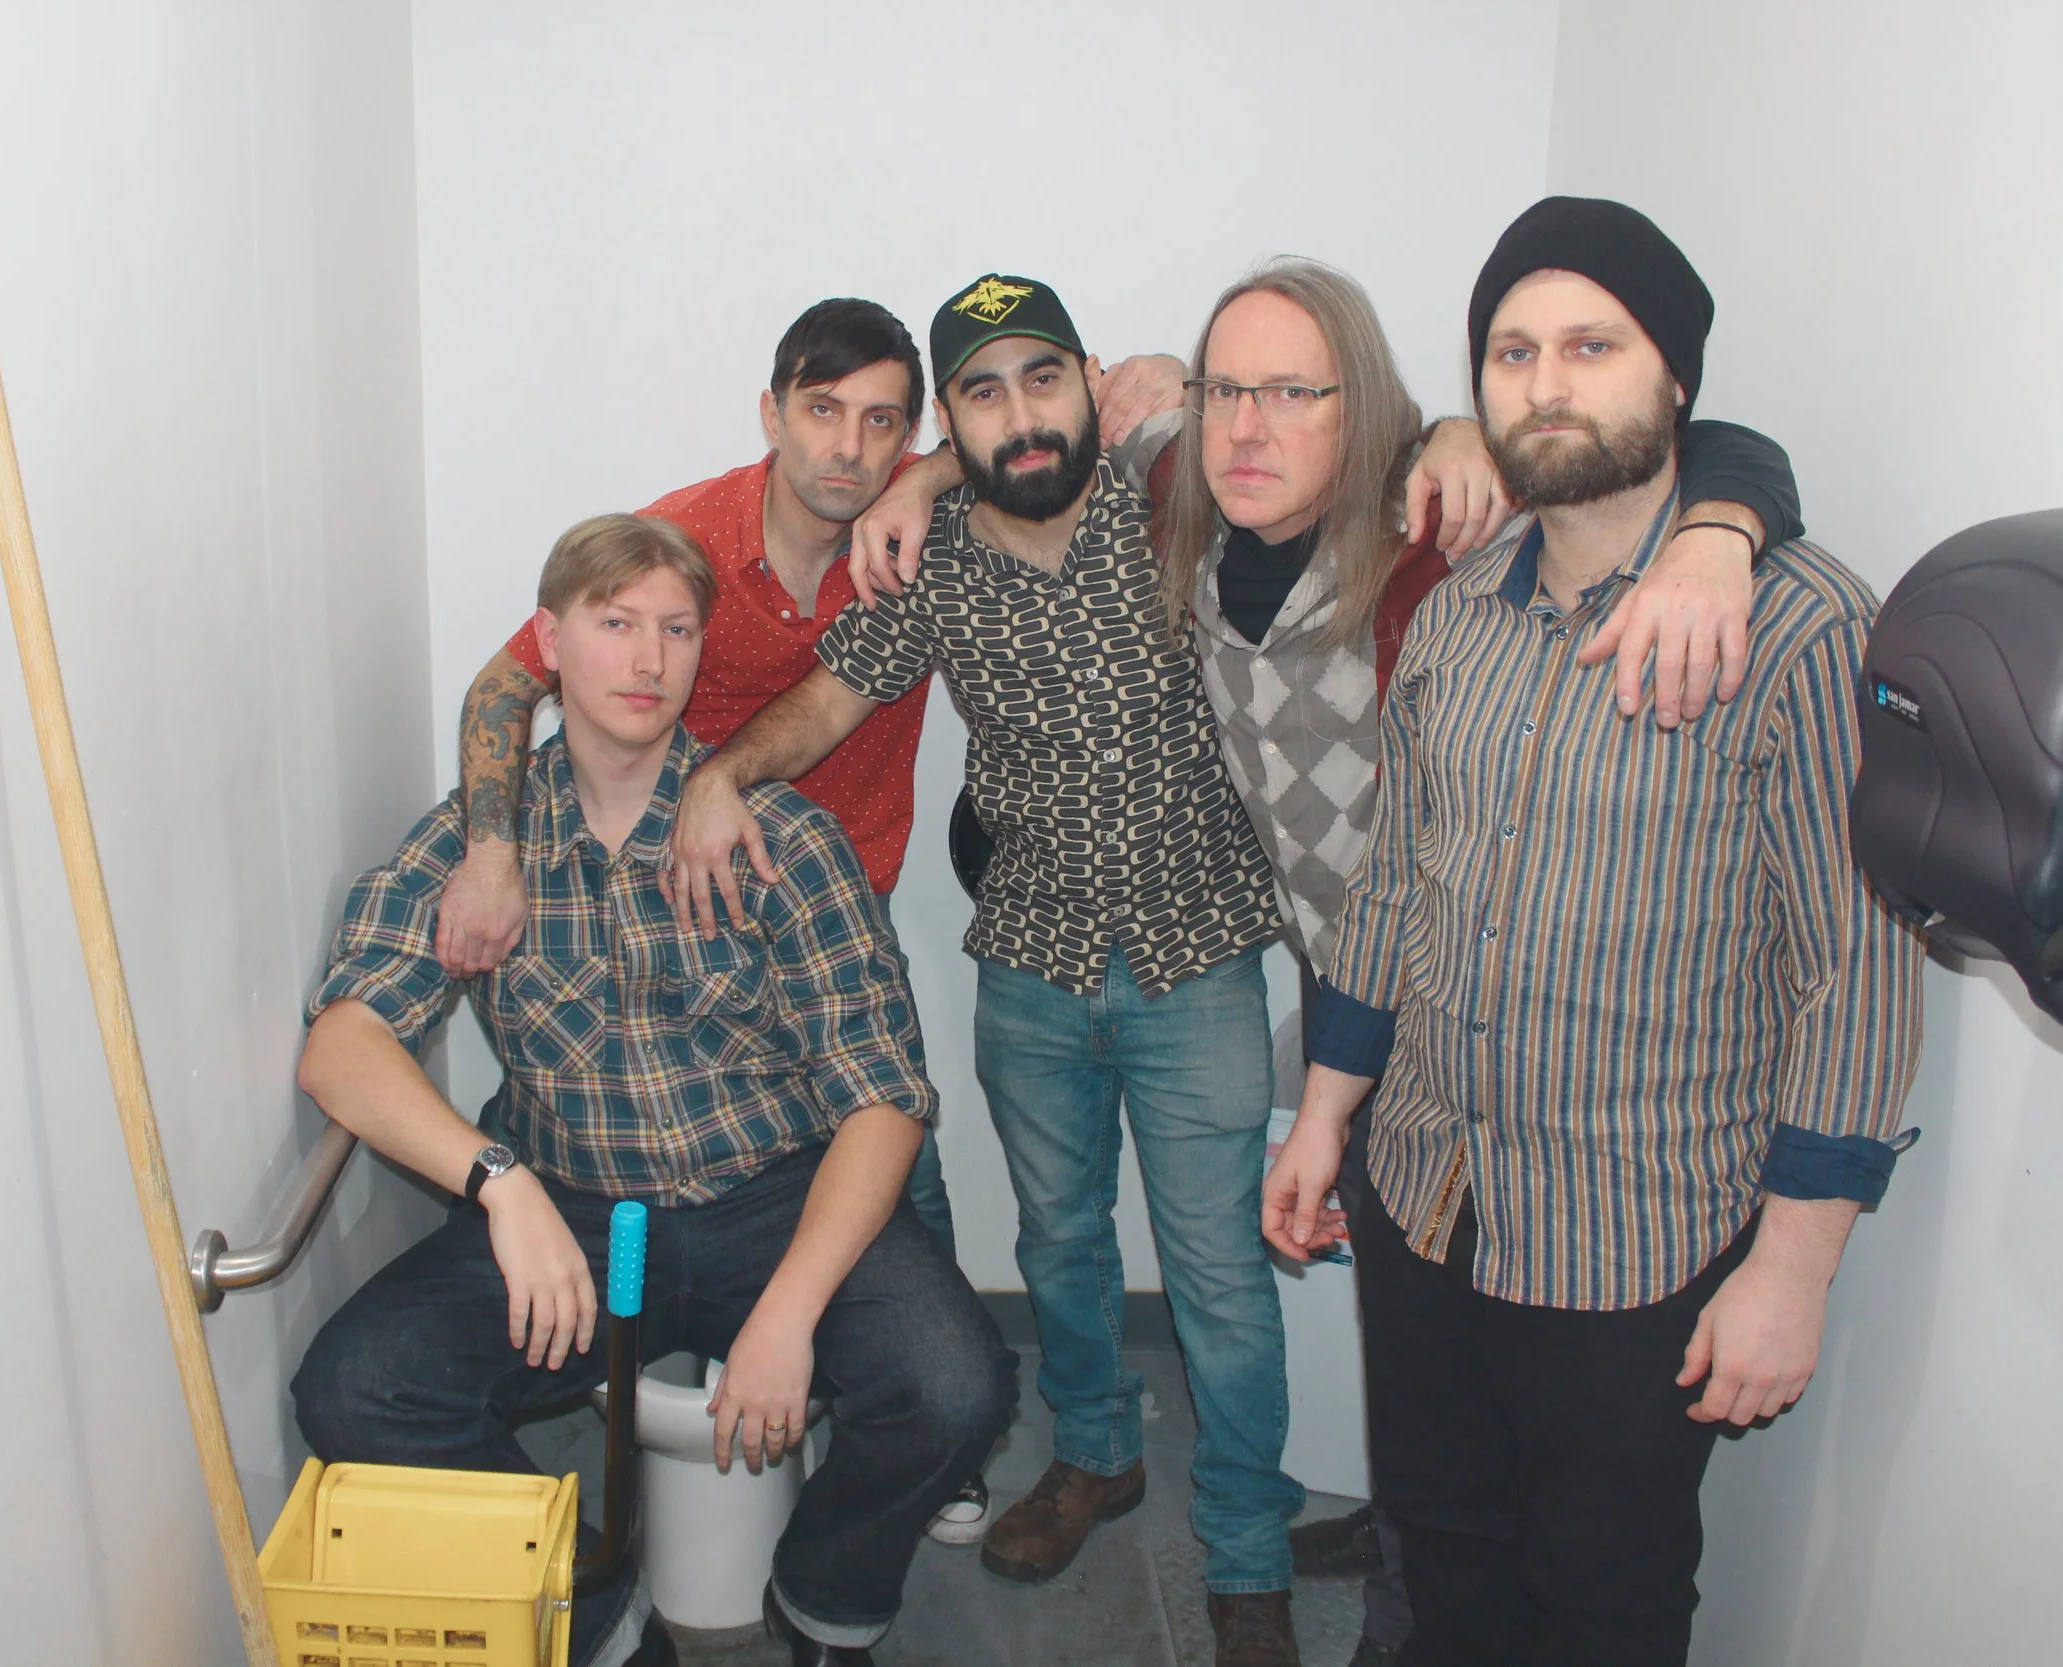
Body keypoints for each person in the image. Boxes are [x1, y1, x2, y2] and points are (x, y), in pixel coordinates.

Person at [853, 256, 1805, 1667]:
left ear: (1358, 411)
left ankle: (1301, 1563)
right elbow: (1029, 430)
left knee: (1332, 1330)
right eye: (1230, 390)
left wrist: (1716, 524)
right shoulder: (1164, 499)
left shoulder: (1421, 528)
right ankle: (1304, 1534)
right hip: (1328, 996)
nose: (1252, 425)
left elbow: (1669, 446)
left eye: (1296, 394)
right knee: (1377, 1354)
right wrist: (915, 478)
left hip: (1502, 1035)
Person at [1263, 198, 1926, 1667]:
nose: (1544, 383)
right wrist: (1326, 1119)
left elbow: (1855, 974)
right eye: (1511, 350)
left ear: (1674, 377)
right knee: (1444, 1550)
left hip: (1637, 1239)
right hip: (1424, 1191)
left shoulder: (1800, 629)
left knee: (1604, 1596)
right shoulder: (1452, 624)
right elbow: (1391, 893)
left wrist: (1793, 1269)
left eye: (1589, 345)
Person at [432, 298, 1178, 1543]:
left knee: (905, 1176)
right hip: (685, 925)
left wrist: (945, 464)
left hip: (840, 913)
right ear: (770, 411)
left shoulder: (933, 522)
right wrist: (495, 846)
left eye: (882, 422)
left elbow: (1063, 399)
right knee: (669, 1159)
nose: (847, 448)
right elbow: (515, 676)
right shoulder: (692, 542)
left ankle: (935, 1434)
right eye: (820, 412)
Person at [667, 274, 1306, 1667]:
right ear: (949, 425)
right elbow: (835, 689)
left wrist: (1193, 393)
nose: (1020, 414)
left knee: (1218, 1277)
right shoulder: (932, 549)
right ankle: (1091, 1456)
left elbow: (1325, 452)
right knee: (1060, 1243)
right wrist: (721, 771)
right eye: (981, 392)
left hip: (1200, 960)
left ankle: (1248, 1555)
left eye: (1041, 378)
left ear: (1087, 379)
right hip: (1030, 960)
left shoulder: (1181, 502)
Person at [290, 513, 1015, 1667]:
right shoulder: (482, 843)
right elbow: (340, 1043)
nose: (647, 657)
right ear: (550, 644)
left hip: (770, 1194)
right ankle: (598, 1613)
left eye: (676, 629)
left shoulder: (780, 832)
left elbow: (884, 1095)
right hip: (569, 1202)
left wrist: (787, 1311)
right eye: (614, 623)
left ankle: (825, 1598)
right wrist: (499, 1185)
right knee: (355, 1389)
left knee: (957, 1381)